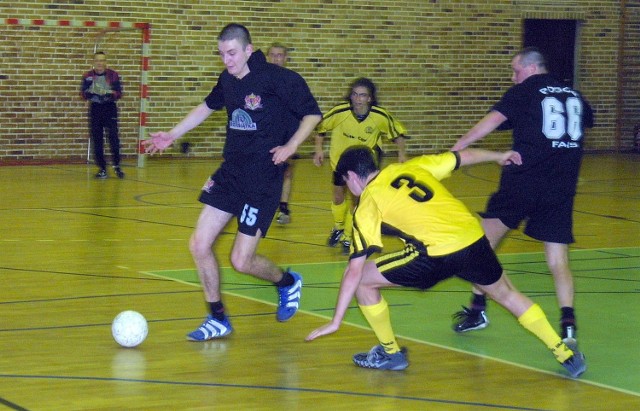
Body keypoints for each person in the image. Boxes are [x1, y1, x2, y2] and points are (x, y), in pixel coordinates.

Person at [305, 145, 587, 378]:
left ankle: (390, 353)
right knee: (507, 294)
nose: (348, 187)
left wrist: (336, 320)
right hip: (473, 237)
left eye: (345, 181)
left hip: (435, 253)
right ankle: (565, 354)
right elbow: (463, 156)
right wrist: (498, 156)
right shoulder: (411, 167)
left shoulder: (368, 203)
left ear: (352, 176)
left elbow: (353, 270)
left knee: (365, 280)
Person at [144, 24, 322, 341]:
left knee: (241, 261)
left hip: (263, 178)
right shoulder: (227, 80)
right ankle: (218, 318)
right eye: (222, 54)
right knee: (199, 244)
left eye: (232, 53)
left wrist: (292, 146)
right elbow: (206, 107)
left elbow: (312, 115)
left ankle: (287, 281)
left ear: (248, 50)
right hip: (231, 171)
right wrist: (172, 134)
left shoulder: (279, 79)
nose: (226, 60)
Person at [450, 47, 594, 349]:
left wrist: (457, 149)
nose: (513, 77)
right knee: (558, 260)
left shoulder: (524, 91)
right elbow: (582, 126)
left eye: (515, 70)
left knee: (479, 247)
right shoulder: (575, 95)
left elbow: (488, 123)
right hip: (561, 188)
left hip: (522, 183)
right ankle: (568, 327)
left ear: (531, 68)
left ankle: (478, 311)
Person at [314, 78, 407, 254]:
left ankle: (348, 236)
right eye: (355, 95)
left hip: (364, 166)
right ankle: (338, 228)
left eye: (363, 96)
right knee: (338, 197)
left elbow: (397, 134)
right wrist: (318, 149)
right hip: (340, 162)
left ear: (370, 99)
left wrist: (402, 154)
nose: (358, 99)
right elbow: (320, 128)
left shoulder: (380, 116)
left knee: (356, 201)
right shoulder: (340, 112)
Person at [80, 51, 125, 179]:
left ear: (105, 62)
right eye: (97, 60)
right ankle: (102, 168)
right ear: (94, 62)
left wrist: (108, 93)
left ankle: (117, 165)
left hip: (109, 108)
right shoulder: (88, 76)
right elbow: (83, 94)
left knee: (113, 138)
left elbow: (119, 93)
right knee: (97, 139)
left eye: (102, 60)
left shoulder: (113, 75)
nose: (100, 63)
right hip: (95, 109)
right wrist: (92, 92)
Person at [267, 43, 296, 224]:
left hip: (287, 131)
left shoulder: (292, 81)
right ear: (268, 57)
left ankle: (283, 207)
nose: (277, 59)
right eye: (273, 55)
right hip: (267, 132)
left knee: (286, 170)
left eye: (280, 55)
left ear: (285, 58)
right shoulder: (260, 79)